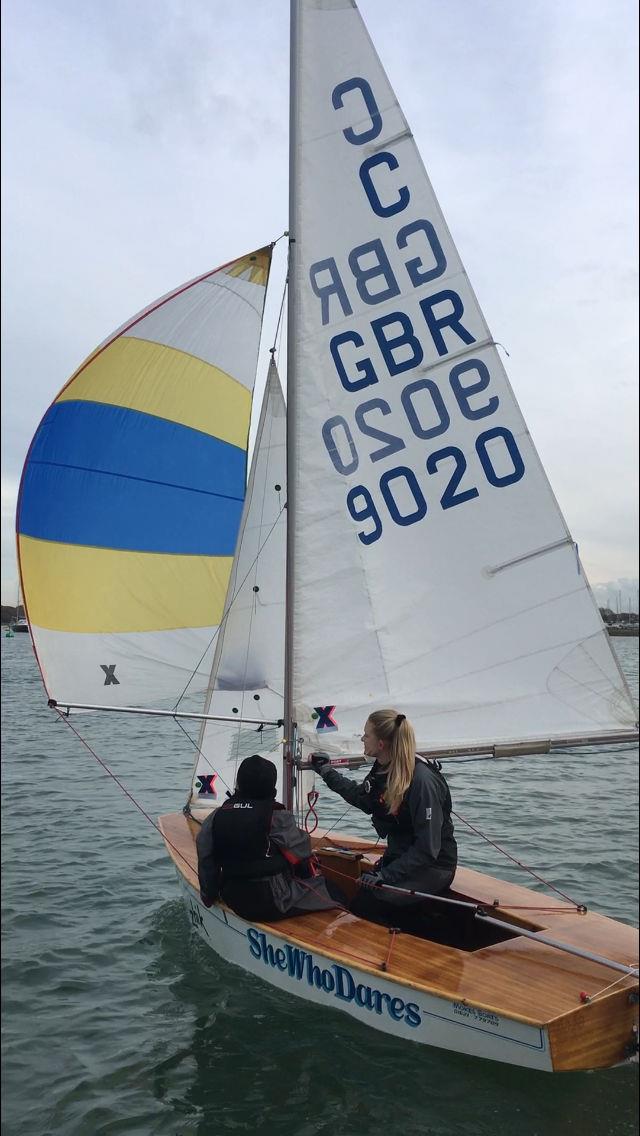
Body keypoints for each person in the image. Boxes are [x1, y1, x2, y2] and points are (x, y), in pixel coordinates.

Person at [311, 709, 457, 934]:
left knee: (368, 902)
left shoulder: (422, 782)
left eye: (366, 735)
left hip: (433, 866)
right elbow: (362, 798)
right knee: (363, 895)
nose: (362, 739)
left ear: (381, 743)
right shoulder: (383, 768)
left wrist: (386, 876)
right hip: (402, 858)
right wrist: (325, 771)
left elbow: (428, 848)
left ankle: (419, 947)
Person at [196, 754, 342, 922]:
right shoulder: (276, 816)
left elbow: (205, 855)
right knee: (334, 891)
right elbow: (302, 850)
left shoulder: (216, 816)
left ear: (239, 783)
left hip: (233, 897)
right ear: (271, 787)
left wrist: (209, 895)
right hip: (272, 900)